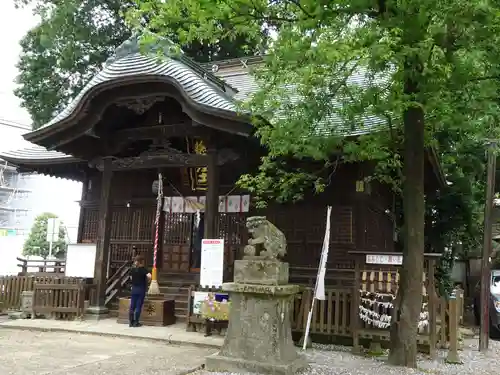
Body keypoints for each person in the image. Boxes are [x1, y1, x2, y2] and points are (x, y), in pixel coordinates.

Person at [129, 254, 151, 327]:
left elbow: (131, 278)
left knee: (132, 306)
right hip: (141, 289)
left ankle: (130, 322)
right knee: (138, 306)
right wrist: (148, 280)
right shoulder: (143, 269)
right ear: (142, 261)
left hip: (134, 288)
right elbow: (149, 276)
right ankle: (136, 322)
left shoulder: (132, 269)